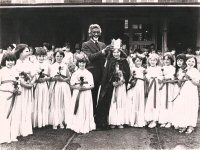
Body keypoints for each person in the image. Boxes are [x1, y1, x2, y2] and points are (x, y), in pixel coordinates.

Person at [95, 41, 130, 130]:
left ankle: (120, 121)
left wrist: (122, 81)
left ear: (120, 52)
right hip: (112, 86)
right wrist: (112, 83)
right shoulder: (110, 62)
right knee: (113, 102)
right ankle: (113, 121)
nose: (116, 54)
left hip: (121, 85)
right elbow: (106, 75)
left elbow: (127, 73)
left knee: (120, 102)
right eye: (114, 52)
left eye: (118, 52)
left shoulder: (124, 61)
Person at [82, 24, 112, 115]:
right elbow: (90, 57)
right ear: (90, 33)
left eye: (98, 32)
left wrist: (112, 50)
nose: (96, 34)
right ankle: (92, 115)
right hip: (93, 73)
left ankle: (100, 116)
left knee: (102, 95)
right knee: (93, 95)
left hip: (103, 73)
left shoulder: (102, 44)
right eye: (94, 32)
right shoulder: (85, 44)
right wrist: (103, 51)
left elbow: (107, 57)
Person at [67, 57, 95, 134]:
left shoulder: (89, 73)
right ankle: (76, 125)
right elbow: (71, 85)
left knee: (85, 107)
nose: (82, 64)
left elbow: (92, 85)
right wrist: (78, 88)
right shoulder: (75, 73)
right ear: (78, 64)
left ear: (86, 64)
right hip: (77, 92)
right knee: (78, 107)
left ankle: (86, 125)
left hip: (86, 93)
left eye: (83, 63)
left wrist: (85, 88)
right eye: (80, 63)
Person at [172, 56, 200, 134]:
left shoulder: (196, 71)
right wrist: (181, 78)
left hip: (192, 90)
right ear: (186, 62)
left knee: (191, 106)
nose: (190, 63)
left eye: (193, 62)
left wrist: (190, 78)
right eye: (189, 61)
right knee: (184, 107)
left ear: (195, 63)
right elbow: (179, 83)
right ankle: (183, 124)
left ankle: (191, 125)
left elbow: (197, 83)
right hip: (184, 90)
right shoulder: (183, 70)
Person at [14, 44, 35, 137]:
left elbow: (35, 75)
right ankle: (18, 129)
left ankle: (26, 128)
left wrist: (31, 83)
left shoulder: (29, 63)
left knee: (27, 106)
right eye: (26, 51)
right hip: (20, 88)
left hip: (28, 87)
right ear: (20, 52)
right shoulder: (15, 63)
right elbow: (16, 78)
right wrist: (24, 84)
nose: (29, 53)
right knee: (19, 106)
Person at [0, 52, 20, 143]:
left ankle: (13, 135)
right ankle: (4, 136)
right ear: (4, 61)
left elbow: (18, 83)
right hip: (4, 96)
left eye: (12, 60)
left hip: (14, 96)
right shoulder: (1, 71)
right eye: (8, 60)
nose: (10, 62)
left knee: (14, 115)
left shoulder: (15, 71)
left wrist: (17, 90)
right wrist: (9, 90)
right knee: (5, 115)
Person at [49, 50, 71, 129]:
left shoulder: (65, 66)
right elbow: (50, 78)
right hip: (56, 85)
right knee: (56, 103)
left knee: (63, 103)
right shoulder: (52, 66)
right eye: (57, 56)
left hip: (64, 86)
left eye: (60, 56)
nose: (59, 58)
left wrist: (64, 80)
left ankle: (63, 121)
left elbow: (68, 77)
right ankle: (56, 121)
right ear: (55, 57)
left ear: (63, 57)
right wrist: (56, 78)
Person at [126, 54, 146, 127]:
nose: (139, 62)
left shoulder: (143, 69)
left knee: (139, 102)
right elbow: (129, 78)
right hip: (133, 86)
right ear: (134, 61)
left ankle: (139, 120)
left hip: (140, 86)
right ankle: (131, 120)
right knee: (132, 101)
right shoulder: (131, 69)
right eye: (137, 61)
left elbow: (145, 78)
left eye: (140, 61)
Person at [32, 47, 50, 128]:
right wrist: (37, 78)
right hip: (37, 86)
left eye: (43, 56)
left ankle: (43, 121)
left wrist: (45, 78)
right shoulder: (34, 64)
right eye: (39, 56)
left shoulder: (47, 64)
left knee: (44, 101)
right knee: (37, 101)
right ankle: (36, 122)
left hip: (44, 85)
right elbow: (32, 76)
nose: (41, 58)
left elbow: (50, 76)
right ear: (36, 56)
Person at [158, 54, 175, 128]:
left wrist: (165, 78)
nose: (166, 61)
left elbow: (172, 77)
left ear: (171, 60)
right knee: (163, 102)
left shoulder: (173, 68)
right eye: (165, 59)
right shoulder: (162, 68)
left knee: (169, 102)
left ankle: (169, 121)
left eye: (168, 59)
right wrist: (161, 77)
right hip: (163, 87)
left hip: (170, 86)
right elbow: (159, 77)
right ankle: (163, 120)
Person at [145, 53, 161, 128]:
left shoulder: (159, 68)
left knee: (156, 102)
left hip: (157, 87)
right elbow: (146, 79)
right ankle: (149, 118)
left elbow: (161, 77)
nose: (152, 62)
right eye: (151, 60)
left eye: (154, 60)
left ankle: (155, 119)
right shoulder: (147, 69)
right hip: (150, 87)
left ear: (157, 61)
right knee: (150, 102)